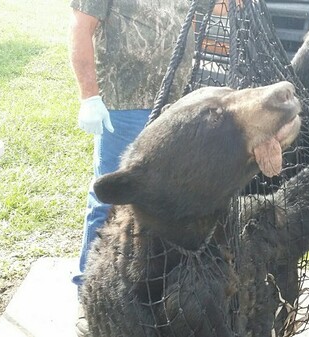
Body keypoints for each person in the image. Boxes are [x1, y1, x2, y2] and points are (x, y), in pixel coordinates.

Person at [68, 0, 194, 336]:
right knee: (109, 200)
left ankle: (141, 285)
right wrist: (89, 97)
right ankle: (88, 294)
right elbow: (81, 28)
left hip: (172, 106)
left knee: (160, 200)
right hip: (124, 107)